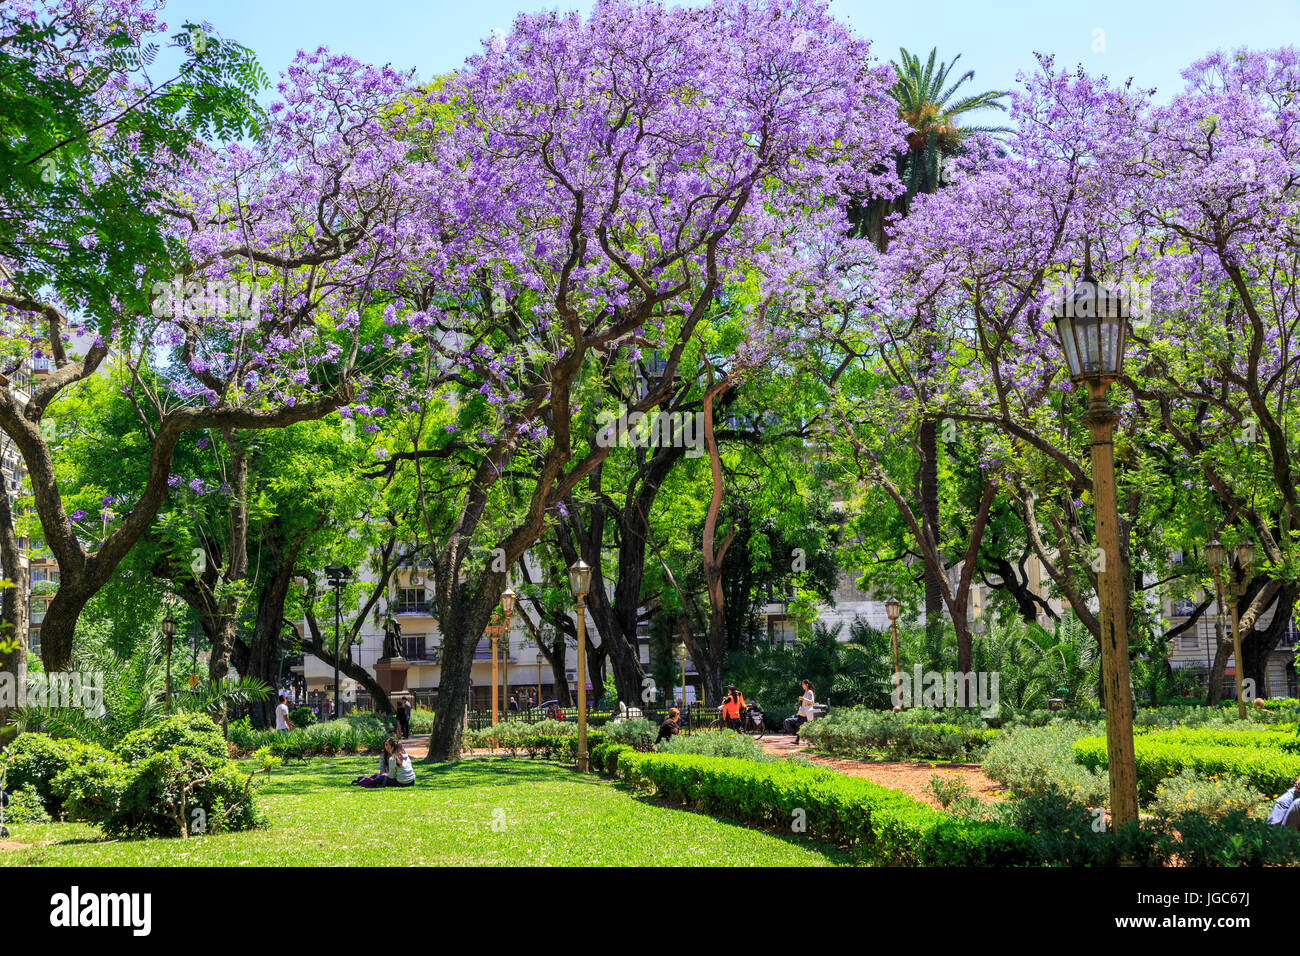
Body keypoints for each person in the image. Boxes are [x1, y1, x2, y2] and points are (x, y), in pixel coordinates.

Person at [352, 738, 416, 788]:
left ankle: (364, 781)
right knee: (379, 776)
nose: (387, 748)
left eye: (389, 746)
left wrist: (386, 774)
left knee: (379, 778)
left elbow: (392, 776)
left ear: (393, 747)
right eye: (386, 745)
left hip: (402, 783)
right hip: (412, 781)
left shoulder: (392, 759)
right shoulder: (406, 755)